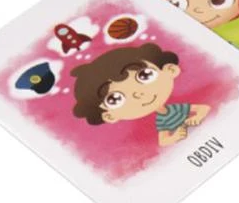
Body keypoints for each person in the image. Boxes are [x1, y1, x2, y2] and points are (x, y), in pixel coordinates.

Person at [71, 43, 211, 147]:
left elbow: (204, 108)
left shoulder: (176, 108)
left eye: (145, 75)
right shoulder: (162, 121)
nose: (138, 94)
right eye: (115, 99)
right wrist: (174, 137)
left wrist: (197, 117)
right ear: (109, 116)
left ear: (170, 70)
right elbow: (163, 141)